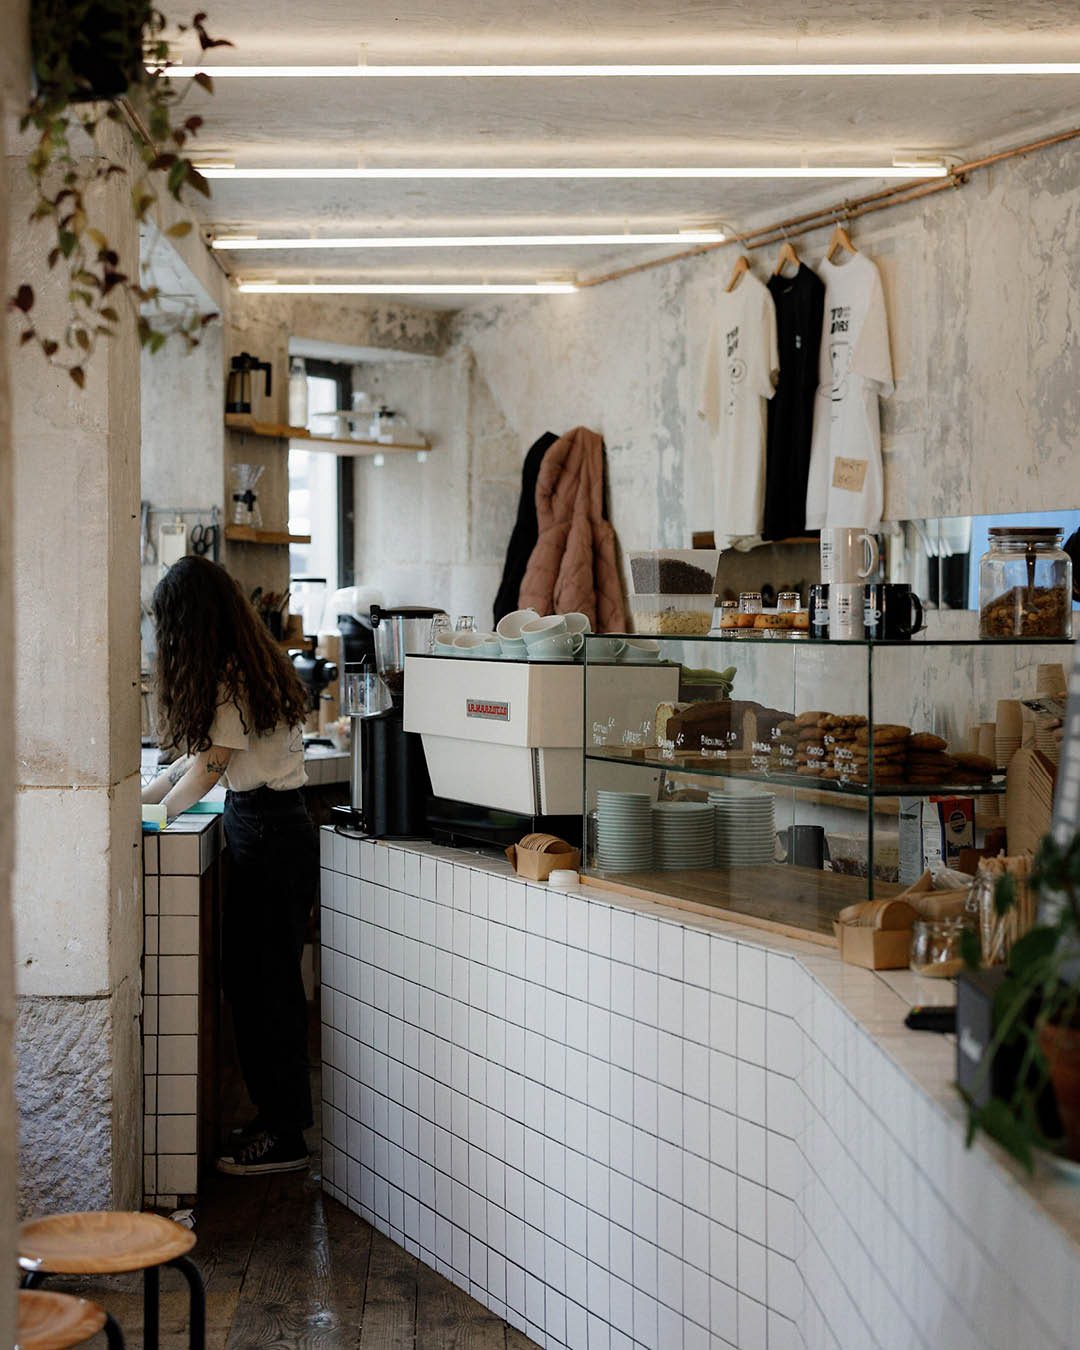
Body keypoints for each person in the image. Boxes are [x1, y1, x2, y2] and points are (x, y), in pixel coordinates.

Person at [142, 555, 319, 1176]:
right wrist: (138, 798)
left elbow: (210, 768)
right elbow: (196, 761)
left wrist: (155, 818)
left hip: (269, 830)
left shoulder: (229, 676)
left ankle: (287, 1133)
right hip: (270, 825)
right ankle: (278, 1117)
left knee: (264, 986)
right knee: (257, 982)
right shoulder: (245, 662)